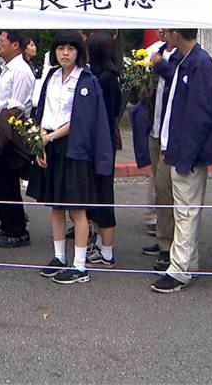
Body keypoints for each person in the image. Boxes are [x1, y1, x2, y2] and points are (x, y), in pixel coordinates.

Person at [29, 30, 113, 285]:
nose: (65, 53)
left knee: (77, 208)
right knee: (56, 205)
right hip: (50, 144)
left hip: (75, 147)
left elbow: (82, 121)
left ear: (79, 52)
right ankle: (58, 257)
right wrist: (39, 142)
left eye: (71, 48)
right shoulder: (52, 76)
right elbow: (42, 110)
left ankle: (80, 265)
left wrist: (50, 137)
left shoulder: (86, 80)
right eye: (60, 48)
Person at [150, 29, 212, 293]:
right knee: (184, 208)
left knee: (186, 210)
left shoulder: (200, 63)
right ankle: (186, 263)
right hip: (178, 148)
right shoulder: (186, 60)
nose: (162, 36)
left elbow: (200, 116)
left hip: (188, 153)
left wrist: (185, 154)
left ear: (176, 33)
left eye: (166, 31)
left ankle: (180, 269)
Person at [140, 30, 183, 271]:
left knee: (168, 189)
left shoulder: (180, 57)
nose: (163, 32)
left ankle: (171, 245)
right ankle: (164, 239)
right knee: (159, 187)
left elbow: (178, 78)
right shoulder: (157, 51)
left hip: (171, 134)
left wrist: (160, 66)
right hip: (155, 128)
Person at [0, 30, 36, 248]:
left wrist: (2, 132)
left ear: (15, 44)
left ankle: (17, 230)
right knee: (2, 180)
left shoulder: (21, 71)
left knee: (9, 181)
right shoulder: (8, 68)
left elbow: (16, 107)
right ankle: (6, 223)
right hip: (1, 129)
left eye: (2, 40)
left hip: (10, 131)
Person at [85, 32, 122, 268]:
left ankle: (107, 250)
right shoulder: (102, 75)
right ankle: (100, 243)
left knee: (103, 192)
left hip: (103, 141)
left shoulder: (107, 79)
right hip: (100, 139)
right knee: (96, 192)